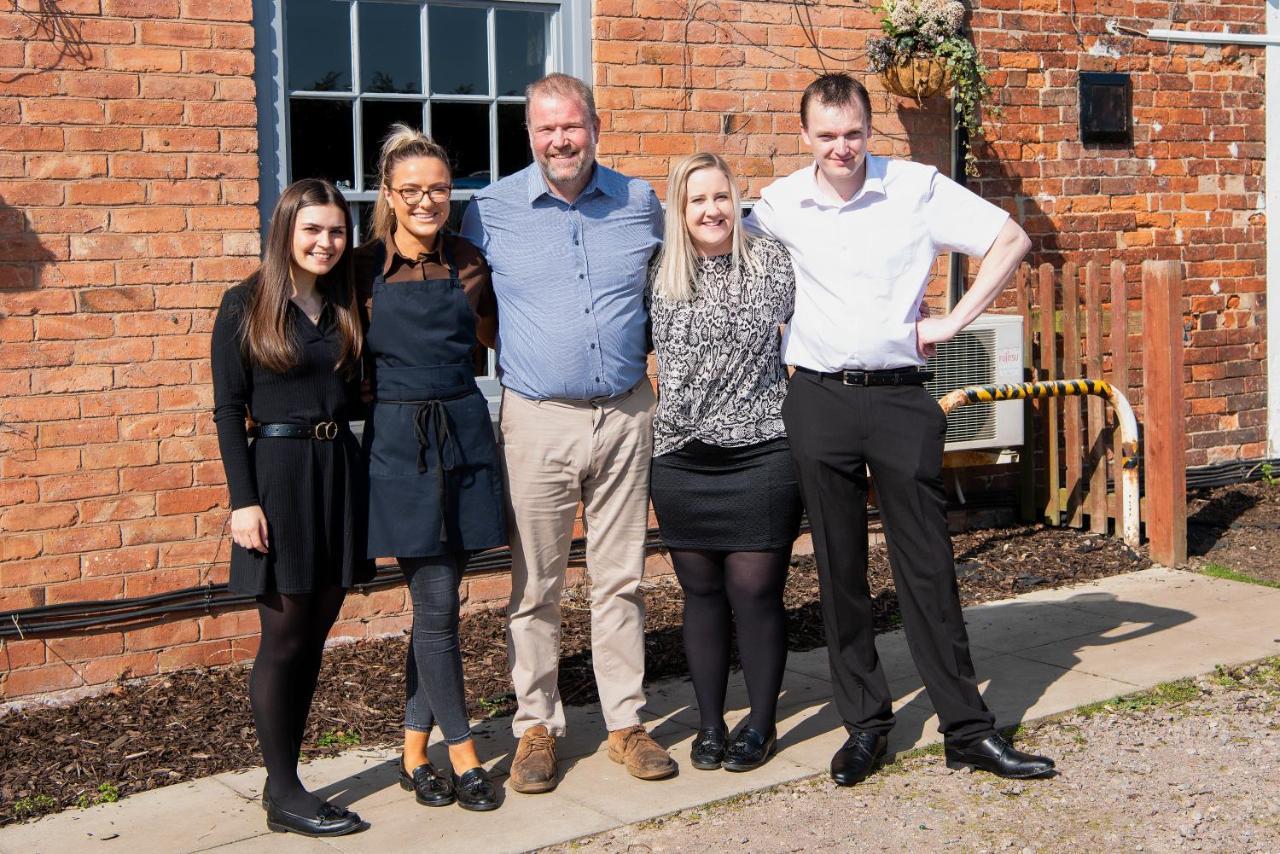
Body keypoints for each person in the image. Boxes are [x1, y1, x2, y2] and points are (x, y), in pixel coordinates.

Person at [746, 73, 1055, 785]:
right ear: (805, 136)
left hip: (899, 400)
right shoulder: (781, 202)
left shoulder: (914, 188)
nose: (841, 148)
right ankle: (866, 725)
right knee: (840, 570)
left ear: (868, 129)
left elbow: (1009, 238)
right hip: (818, 399)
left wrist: (951, 321)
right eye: (826, 136)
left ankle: (967, 730)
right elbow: (727, 258)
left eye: (853, 133)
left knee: (927, 570)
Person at [460, 73, 676, 792]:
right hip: (536, 419)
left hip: (625, 411)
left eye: (572, 126)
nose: (561, 140)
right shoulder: (489, 213)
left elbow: (673, 285)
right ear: (529, 135)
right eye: (547, 129)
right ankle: (536, 728)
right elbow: (476, 310)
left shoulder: (640, 203)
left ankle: (626, 724)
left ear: (595, 125)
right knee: (535, 586)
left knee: (622, 579)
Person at [212, 178, 371, 837]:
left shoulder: (343, 306)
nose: (325, 242)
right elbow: (227, 409)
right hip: (276, 479)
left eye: (336, 231)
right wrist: (243, 502)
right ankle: (283, 790)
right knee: (283, 638)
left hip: (338, 474)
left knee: (314, 635)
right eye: (312, 230)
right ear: (285, 232)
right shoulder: (245, 304)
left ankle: (292, 781)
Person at [354, 126, 504, 812]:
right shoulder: (358, 270)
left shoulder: (471, 262)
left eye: (438, 188)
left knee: (435, 611)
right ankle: (465, 752)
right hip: (400, 447)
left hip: (466, 437)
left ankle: (414, 753)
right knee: (439, 605)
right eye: (411, 189)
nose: (426, 200)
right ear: (388, 193)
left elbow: (504, 334)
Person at [648, 153, 802, 772]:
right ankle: (710, 724)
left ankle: (760, 724)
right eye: (696, 200)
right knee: (702, 591)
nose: (711, 211)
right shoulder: (658, 273)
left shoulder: (773, 263)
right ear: (678, 211)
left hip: (764, 449)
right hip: (681, 458)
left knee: (755, 590)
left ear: (736, 200)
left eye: (721, 197)